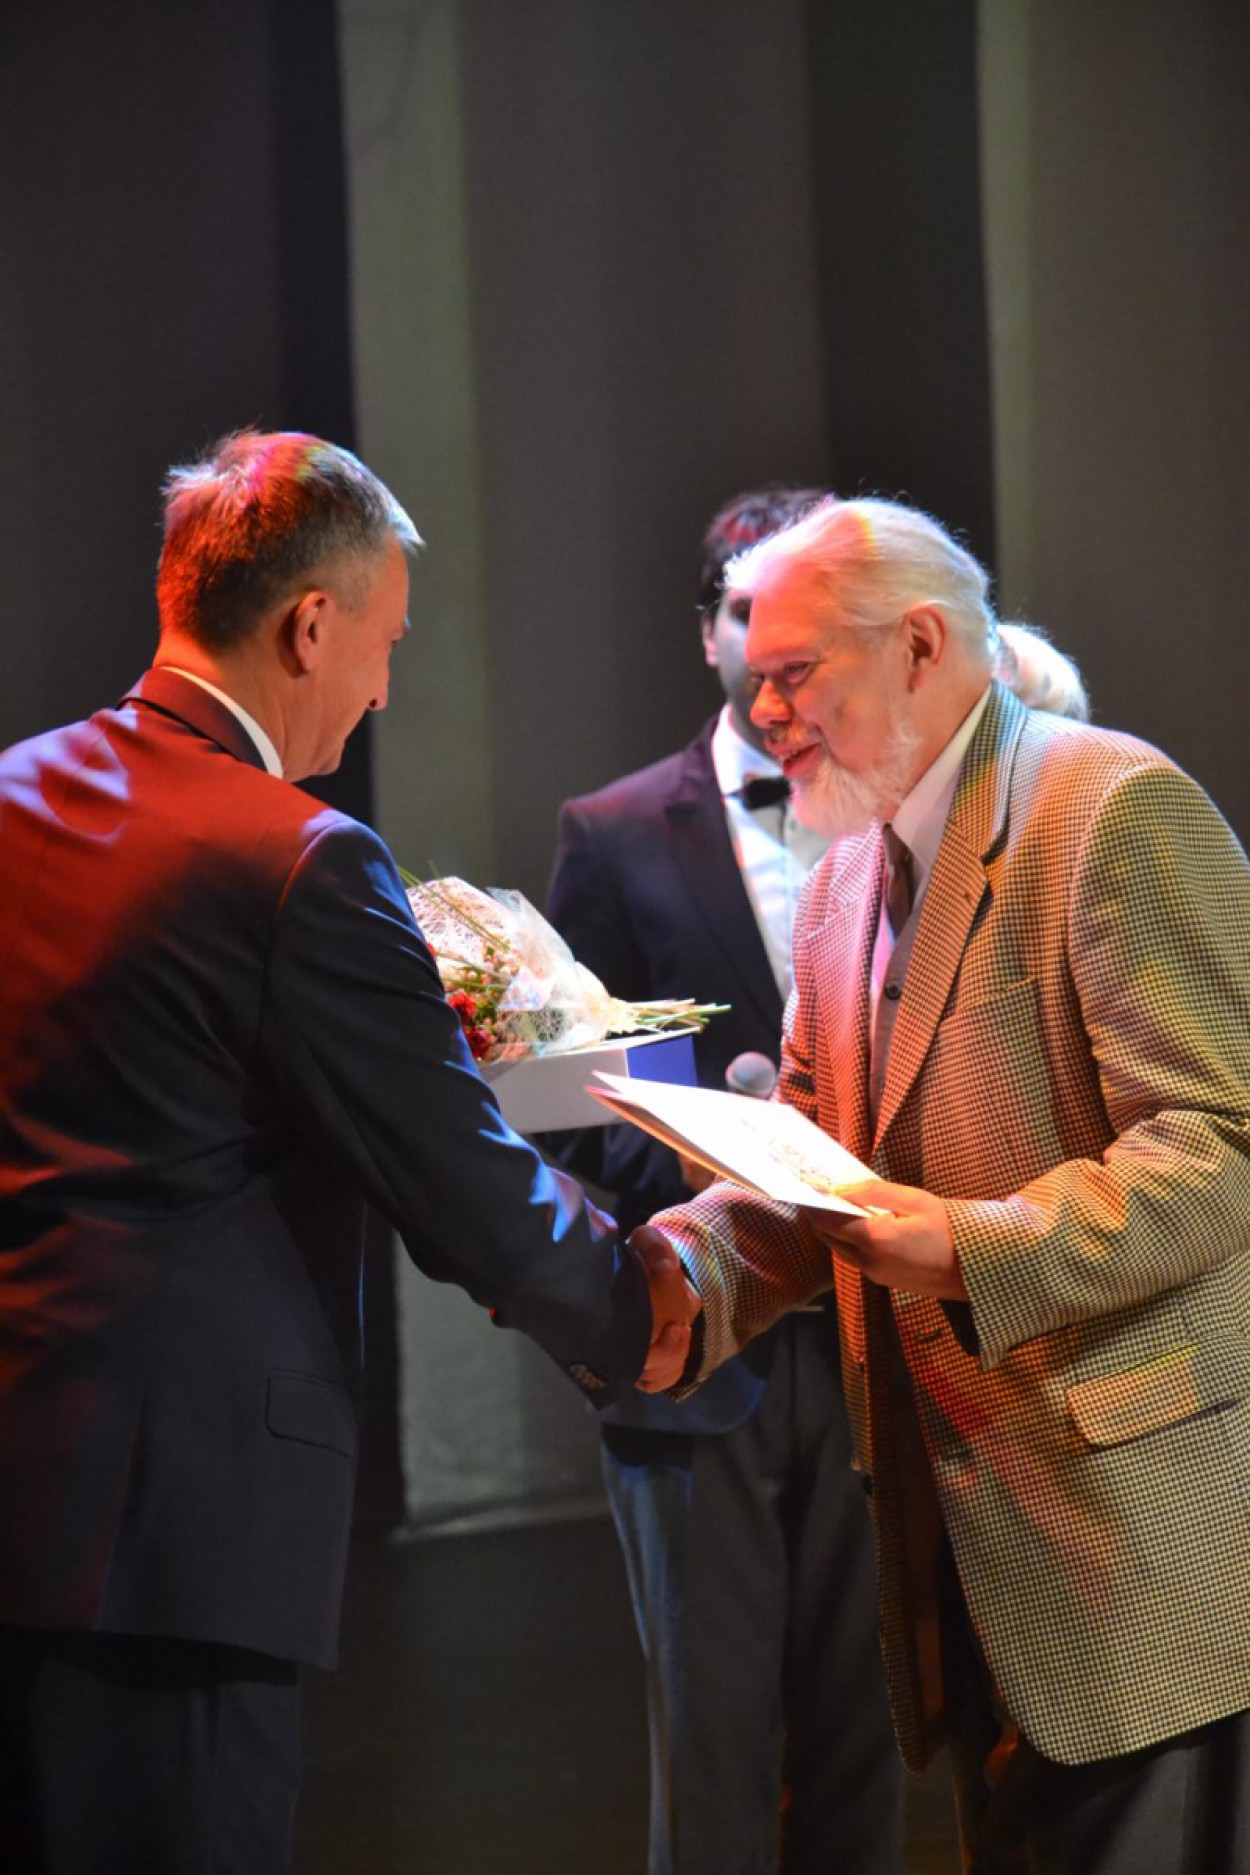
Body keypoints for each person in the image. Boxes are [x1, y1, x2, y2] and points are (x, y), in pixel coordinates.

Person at [0, 428, 698, 1874]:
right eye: (386, 643)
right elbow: (463, 1190)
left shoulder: (16, 793)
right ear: (311, 626)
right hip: (174, 1534)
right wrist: (651, 1309)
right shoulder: (296, 856)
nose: (382, 687)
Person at [642, 494, 1250, 1872]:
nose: (763, 710)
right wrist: (685, 1269)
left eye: (795, 673)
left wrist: (976, 1246)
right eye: (755, 677)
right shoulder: (843, 879)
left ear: (918, 645)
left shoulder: (1112, 807)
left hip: (1140, 1560)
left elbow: (1221, 1144)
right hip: (968, 1554)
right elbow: (813, 1158)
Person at [547, 489, 905, 1875]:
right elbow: (564, 1104)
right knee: (710, 1751)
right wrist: (734, 1151)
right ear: (710, 633)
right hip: (703, 1342)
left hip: (883, 1331)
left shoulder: (907, 812)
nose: (775, 655)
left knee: (871, 1740)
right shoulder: (615, 830)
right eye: (750, 616)